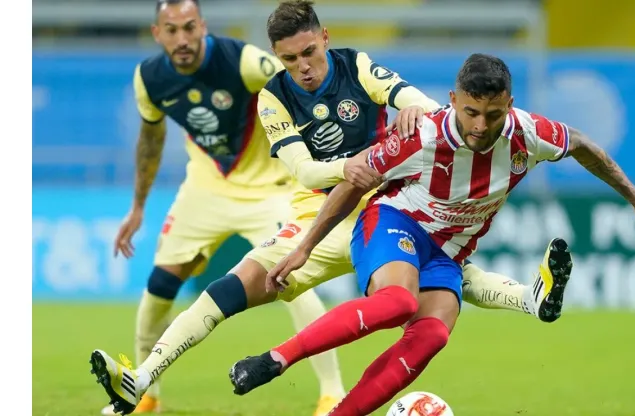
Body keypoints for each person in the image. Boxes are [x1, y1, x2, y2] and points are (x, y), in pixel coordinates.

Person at [89, 2, 582, 414]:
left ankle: (528, 299)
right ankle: (143, 378)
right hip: (319, 217)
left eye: (309, 52)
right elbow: (305, 172)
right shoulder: (272, 99)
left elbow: (429, 109)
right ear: (278, 58)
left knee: (441, 282)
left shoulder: (357, 66)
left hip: (395, 209)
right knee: (233, 288)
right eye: (290, 59)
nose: (303, 67)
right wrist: (356, 165)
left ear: (324, 38)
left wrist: (414, 107)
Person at [228, 52, 635, 415]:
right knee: (398, 302)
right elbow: (354, 181)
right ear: (452, 99)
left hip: (448, 254)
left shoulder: (529, 132)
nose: (480, 127)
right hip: (393, 224)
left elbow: (582, 143)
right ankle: (274, 359)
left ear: (510, 104)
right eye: (470, 112)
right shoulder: (422, 135)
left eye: (493, 114)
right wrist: (305, 247)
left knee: (431, 336)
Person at [96, 1, 344, 414]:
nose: (182, 39)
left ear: (203, 27)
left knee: (293, 281)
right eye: (171, 30)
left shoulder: (243, 62)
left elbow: (299, 88)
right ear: (157, 34)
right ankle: (145, 395)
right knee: (159, 288)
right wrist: (138, 207)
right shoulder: (150, 79)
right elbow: (151, 140)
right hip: (206, 189)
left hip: (270, 187)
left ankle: (332, 393)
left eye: (189, 28)